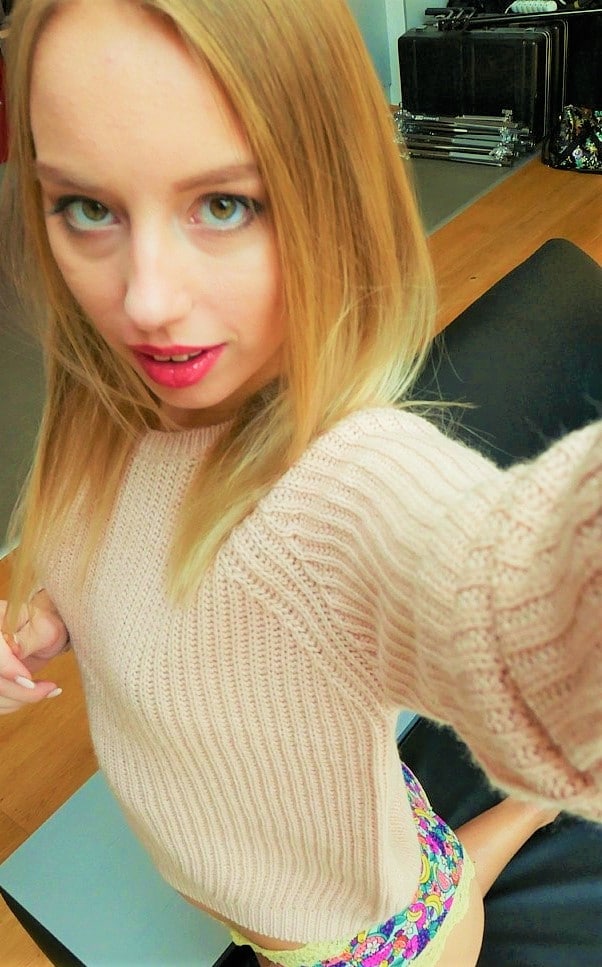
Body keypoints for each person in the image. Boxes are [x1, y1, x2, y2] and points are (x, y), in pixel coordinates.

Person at [0, 1, 599, 965]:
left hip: (376, 943)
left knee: (452, 889)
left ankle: (523, 818)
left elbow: (525, 615)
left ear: (336, 198)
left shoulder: (340, 488)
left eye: (223, 204)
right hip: (269, 864)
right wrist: (47, 620)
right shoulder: (96, 409)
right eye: (89, 207)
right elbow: (114, 560)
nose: (145, 301)